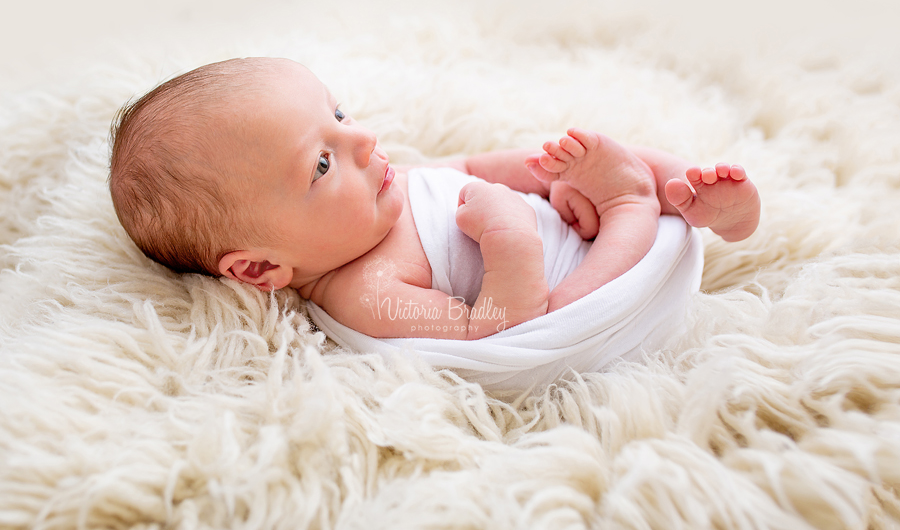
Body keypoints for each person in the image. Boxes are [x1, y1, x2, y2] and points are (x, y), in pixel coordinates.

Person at [109, 58, 760, 340]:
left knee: (598, 156)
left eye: (340, 113)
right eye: (323, 162)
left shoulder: (388, 188)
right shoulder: (366, 292)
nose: (363, 139)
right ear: (258, 268)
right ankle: (638, 204)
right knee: (613, 213)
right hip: (590, 286)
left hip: (565, 225)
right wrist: (509, 238)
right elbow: (497, 325)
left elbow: (474, 167)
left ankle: (697, 200)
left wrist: (550, 175)